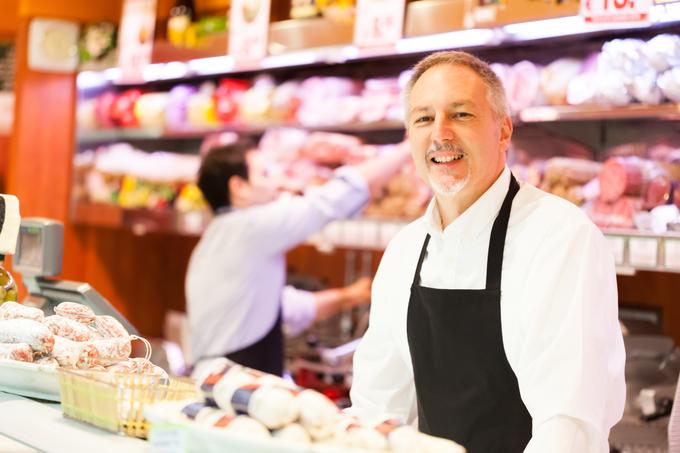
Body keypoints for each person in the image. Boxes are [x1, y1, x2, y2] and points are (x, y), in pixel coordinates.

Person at [349, 50, 626, 453]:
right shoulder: (404, 251)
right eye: (424, 118)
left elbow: (569, 423)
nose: (440, 133)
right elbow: (377, 408)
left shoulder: (559, 237)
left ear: (503, 131)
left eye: (461, 114)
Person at [186, 138, 409, 376]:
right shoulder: (251, 227)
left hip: (219, 376)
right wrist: (407, 148)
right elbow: (329, 201)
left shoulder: (219, 238)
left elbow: (286, 308)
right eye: (265, 174)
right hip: (233, 380)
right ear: (238, 187)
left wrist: (348, 296)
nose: (277, 183)